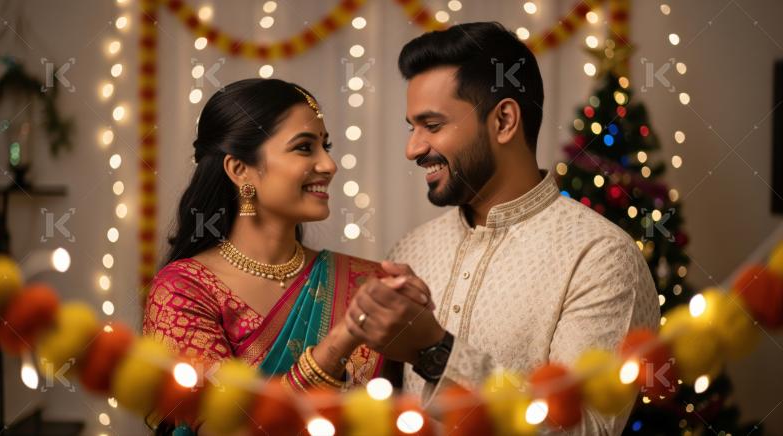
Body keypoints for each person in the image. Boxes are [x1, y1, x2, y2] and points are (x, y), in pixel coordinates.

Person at [343, 22, 661, 434]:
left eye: (432, 125)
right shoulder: (411, 249)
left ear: (505, 120)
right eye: (411, 127)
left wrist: (436, 351)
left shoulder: (599, 256)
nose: (413, 148)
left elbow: (586, 428)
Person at [142, 78, 428, 431]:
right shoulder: (183, 290)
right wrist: (341, 340)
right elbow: (223, 428)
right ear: (240, 170)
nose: (329, 165)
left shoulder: (366, 282)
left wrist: (426, 333)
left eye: (327, 146)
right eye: (305, 148)